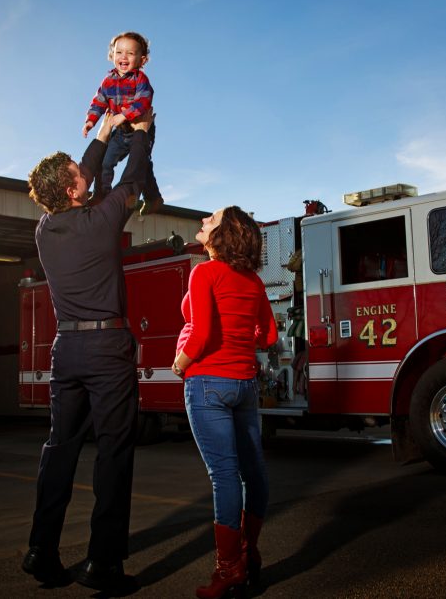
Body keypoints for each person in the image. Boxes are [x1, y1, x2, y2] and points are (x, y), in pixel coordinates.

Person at [20, 129, 152, 595]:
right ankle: (104, 564)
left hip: (66, 350)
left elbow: (85, 175)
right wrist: (140, 136)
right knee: (113, 453)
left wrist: (100, 135)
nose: (86, 172)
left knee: (61, 448)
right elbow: (133, 178)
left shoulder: (45, 229)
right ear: (74, 189)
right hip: (106, 349)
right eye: (79, 174)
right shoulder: (102, 219)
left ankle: (41, 549)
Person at [172, 206, 278, 599]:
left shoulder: (203, 273)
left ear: (223, 235)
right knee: (254, 473)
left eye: (210, 220)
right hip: (244, 384)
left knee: (224, 477)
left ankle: (229, 569)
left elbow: (199, 334)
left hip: (207, 383)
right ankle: (249, 554)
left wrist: (179, 363)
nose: (203, 222)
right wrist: (239, 338)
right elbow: (268, 336)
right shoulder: (253, 281)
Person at [81, 30, 163, 215]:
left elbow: (144, 101)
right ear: (112, 55)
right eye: (119, 52)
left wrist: (124, 115)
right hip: (120, 132)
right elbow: (99, 101)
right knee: (105, 161)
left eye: (130, 53)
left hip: (141, 129)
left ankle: (153, 198)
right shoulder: (108, 81)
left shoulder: (140, 80)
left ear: (142, 60)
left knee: (141, 163)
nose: (123, 57)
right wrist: (91, 120)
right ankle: (101, 194)